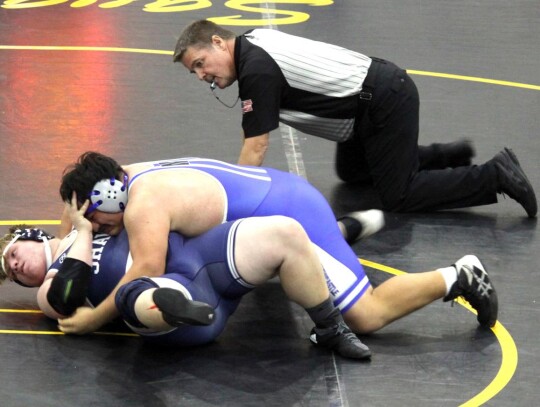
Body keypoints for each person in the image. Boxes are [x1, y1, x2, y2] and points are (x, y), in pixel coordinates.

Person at [55, 151, 497, 344]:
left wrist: (94, 318)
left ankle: (458, 275)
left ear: (110, 196)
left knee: (364, 315)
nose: (98, 230)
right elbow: (81, 209)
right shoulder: (127, 175)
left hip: (292, 212)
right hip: (276, 196)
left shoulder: (142, 207)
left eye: (95, 221)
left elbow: (144, 269)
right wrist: (73, 226)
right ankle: (340, 234)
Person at [173, 20, 537, 218]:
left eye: (201, 64)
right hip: (366, 109)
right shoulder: (255, 42)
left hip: (382, 103)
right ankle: (443, 155)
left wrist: (231, 209)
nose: (202, 76)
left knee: (399, 195)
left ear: (219, 43)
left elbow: (255, 147)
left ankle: (494, 174)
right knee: (353, 175)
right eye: (194, 73)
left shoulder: (256, 70)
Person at [0, 199, 373, 358]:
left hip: (197, 255)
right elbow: (68, 296)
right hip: (167, 294)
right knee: (138, 293)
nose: (16, 269)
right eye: (12, 275)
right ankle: (174, 308)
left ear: (31, 234)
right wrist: (81, 232)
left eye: (12, 256)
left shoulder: (91, 218)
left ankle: (330, 328)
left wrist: (91, 217)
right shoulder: (49, 289)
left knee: (285, 232)